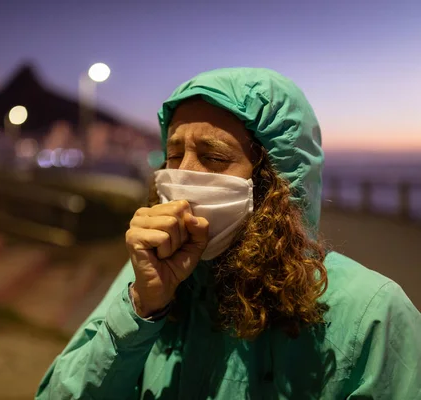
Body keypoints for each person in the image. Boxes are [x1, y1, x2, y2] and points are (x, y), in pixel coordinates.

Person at [35, 68, 421, 399]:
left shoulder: (371, 315)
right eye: (173, 155)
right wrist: (143, 307)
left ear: (276, 180)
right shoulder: (149, 275)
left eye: (214, 157)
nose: (184, 174)